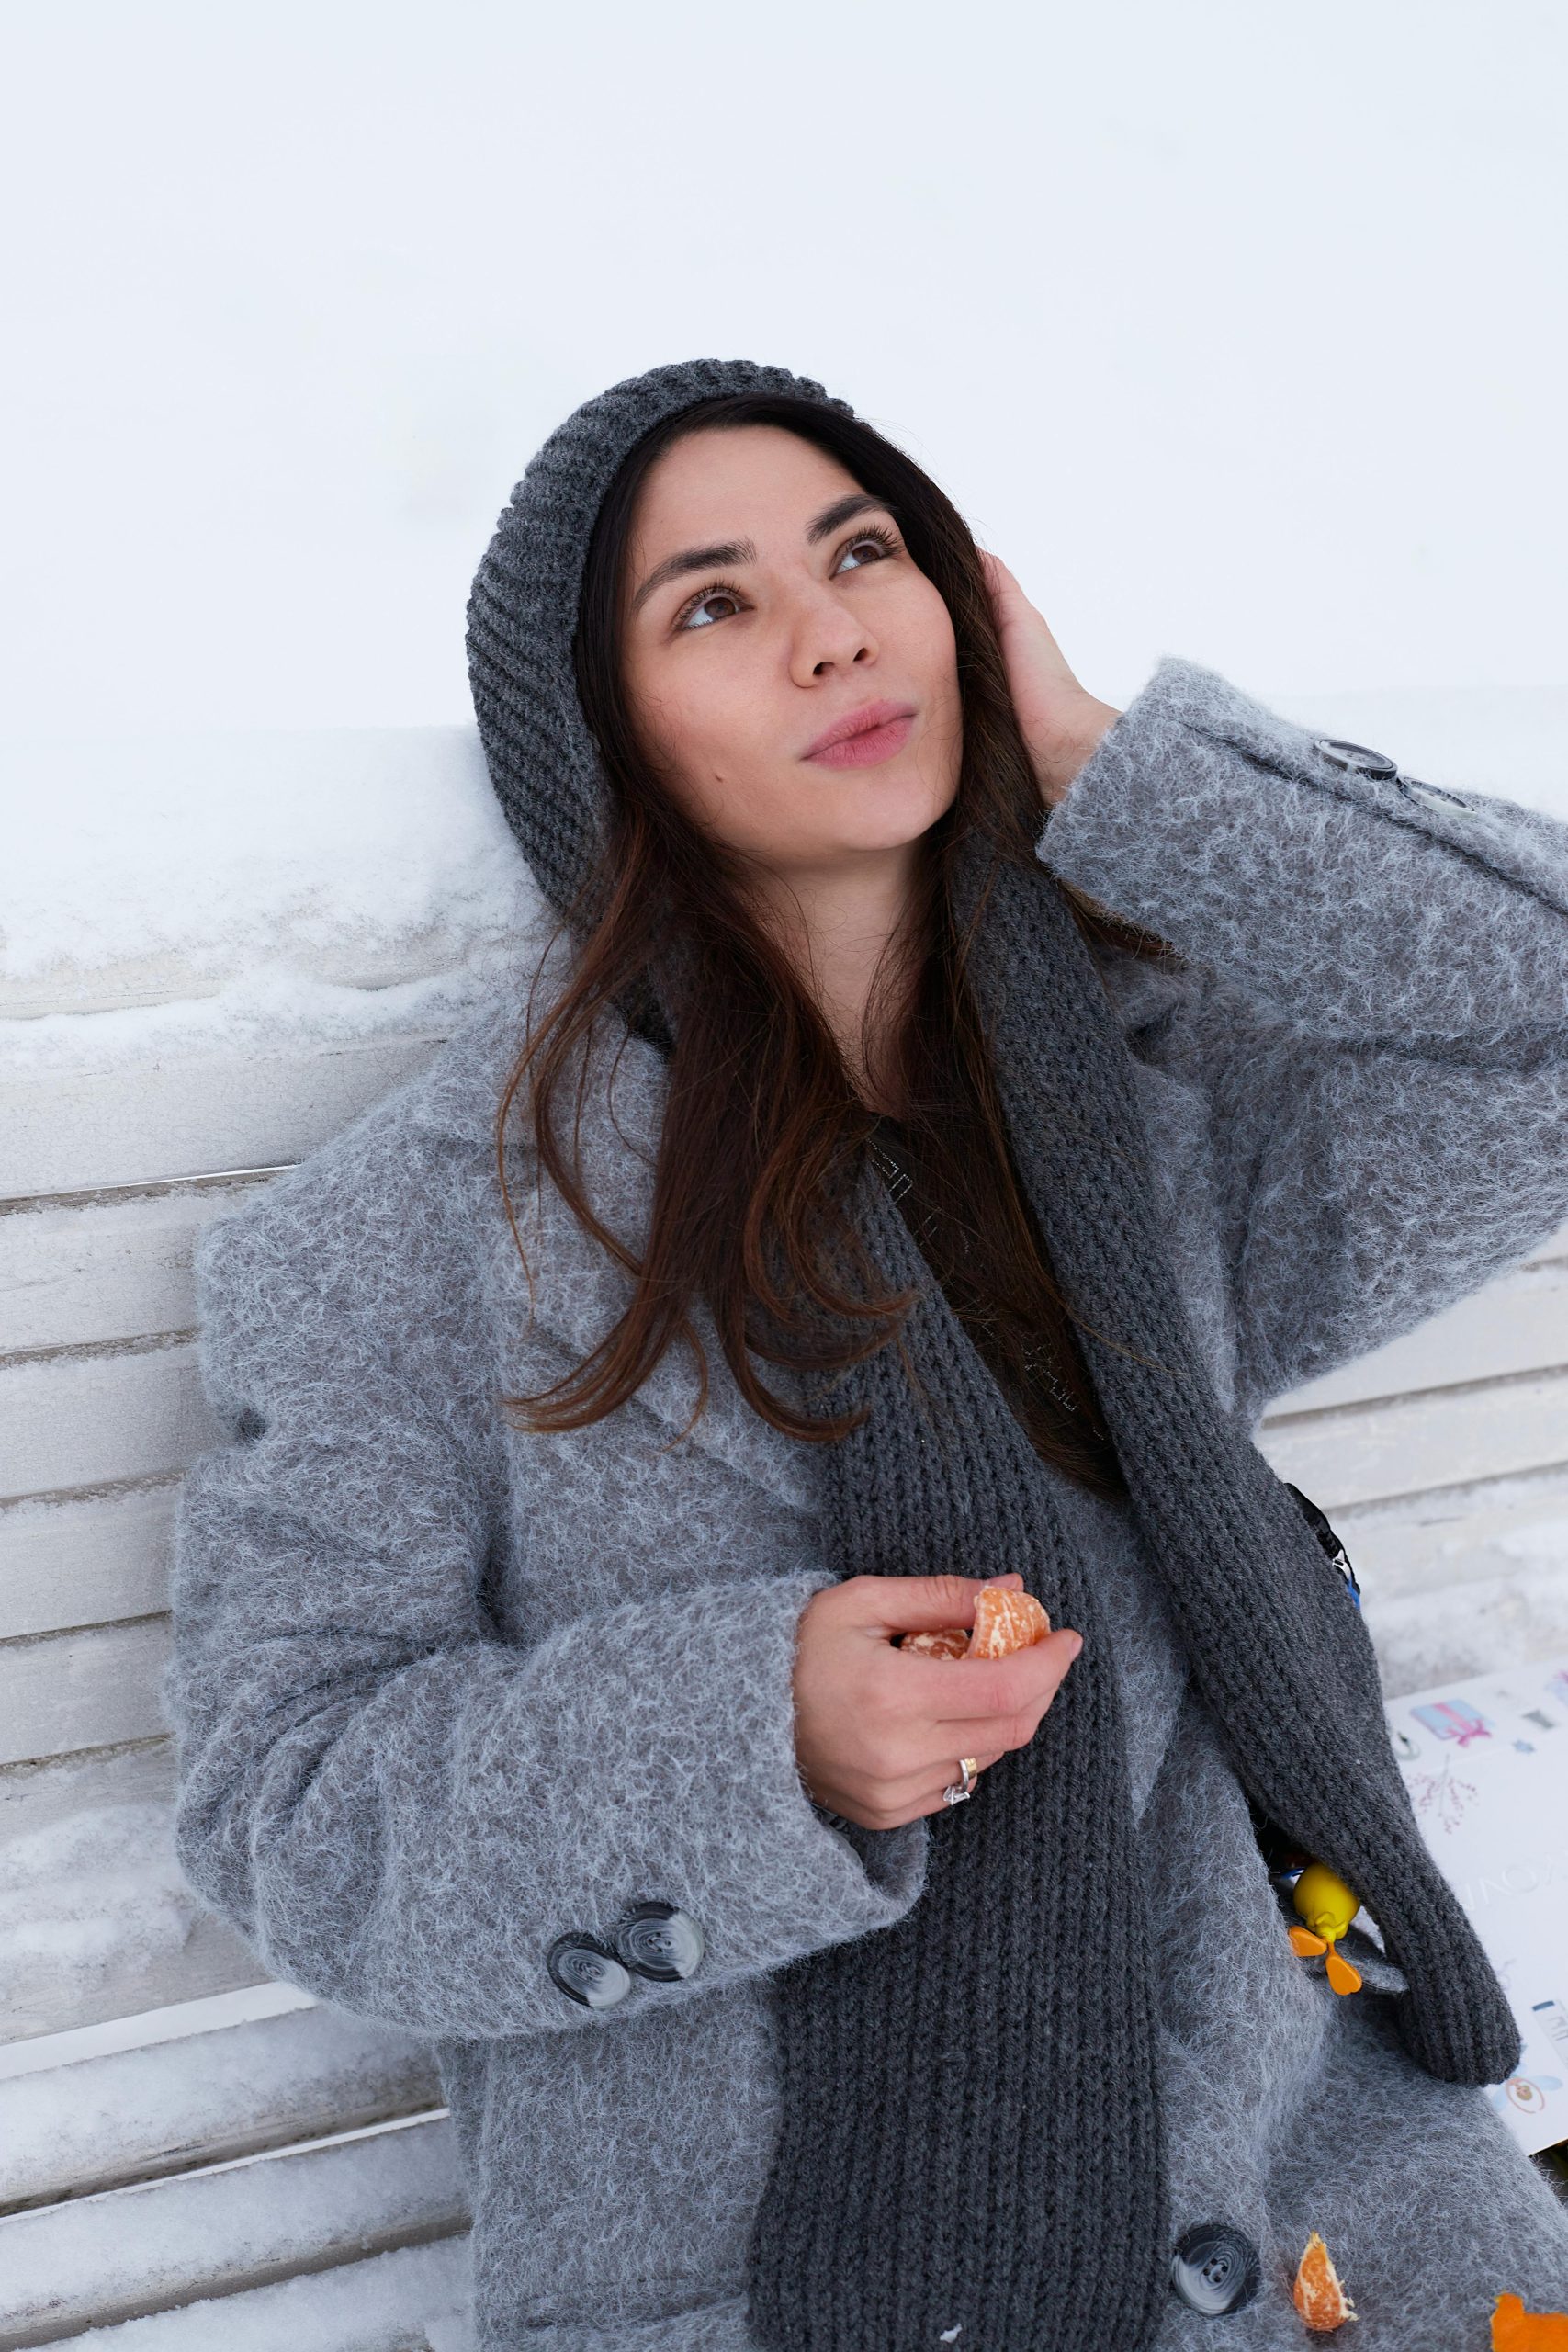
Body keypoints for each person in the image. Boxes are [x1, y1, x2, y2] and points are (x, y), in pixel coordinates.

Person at [167, 358, 1568, 2351]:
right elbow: (289, 1804)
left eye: (862, 552)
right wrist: (756, 1741)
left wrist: (1117, 766)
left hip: (1337, 2218)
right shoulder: (411, 1239)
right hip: (788, 2280)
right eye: (711, 605)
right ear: (602, 735)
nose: (828, 631)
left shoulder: (1147, 1118)